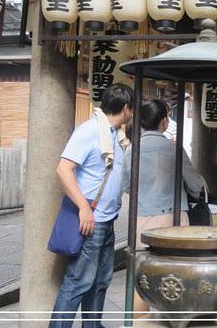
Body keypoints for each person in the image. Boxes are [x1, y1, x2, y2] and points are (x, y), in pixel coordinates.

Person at [49, 84, 134, 328]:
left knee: (100, 280)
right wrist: (84, 209)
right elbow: (63, 169)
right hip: (90, 218)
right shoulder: (89, 131)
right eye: (132, 109)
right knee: (78, 281)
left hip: (107, 219)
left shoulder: (115, 134)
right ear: (126, 108)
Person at [121, 99, 206, 316]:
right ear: (164, 121)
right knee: (177, 274)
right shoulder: (174, 148)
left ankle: (138, 323)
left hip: (141, 220)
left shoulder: (131, 150)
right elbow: (195, 186)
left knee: (142, 276)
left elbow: (125, 185)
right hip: (174, 219)